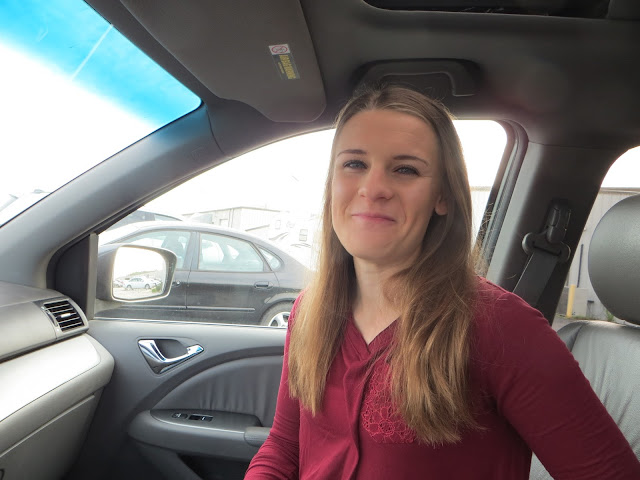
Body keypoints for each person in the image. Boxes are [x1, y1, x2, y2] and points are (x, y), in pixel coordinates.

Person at [244, 85, 640, 479]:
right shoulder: (309, 312)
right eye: (354, 164)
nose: (373, 188)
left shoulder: (501, 327)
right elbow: (285, 445)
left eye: (406, 169)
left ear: (442, 196)